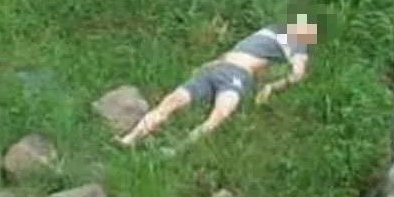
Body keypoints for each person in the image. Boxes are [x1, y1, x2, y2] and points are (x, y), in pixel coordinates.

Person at [118, 18, 318, 148]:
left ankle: (178, 150)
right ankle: (130, 139)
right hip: (217, 68)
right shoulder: (273, 30)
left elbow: (298, 74)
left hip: (238, 75)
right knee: (171, 102)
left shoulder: (298, 43)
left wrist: (271, 88)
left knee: (218, 116)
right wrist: (207, 65)